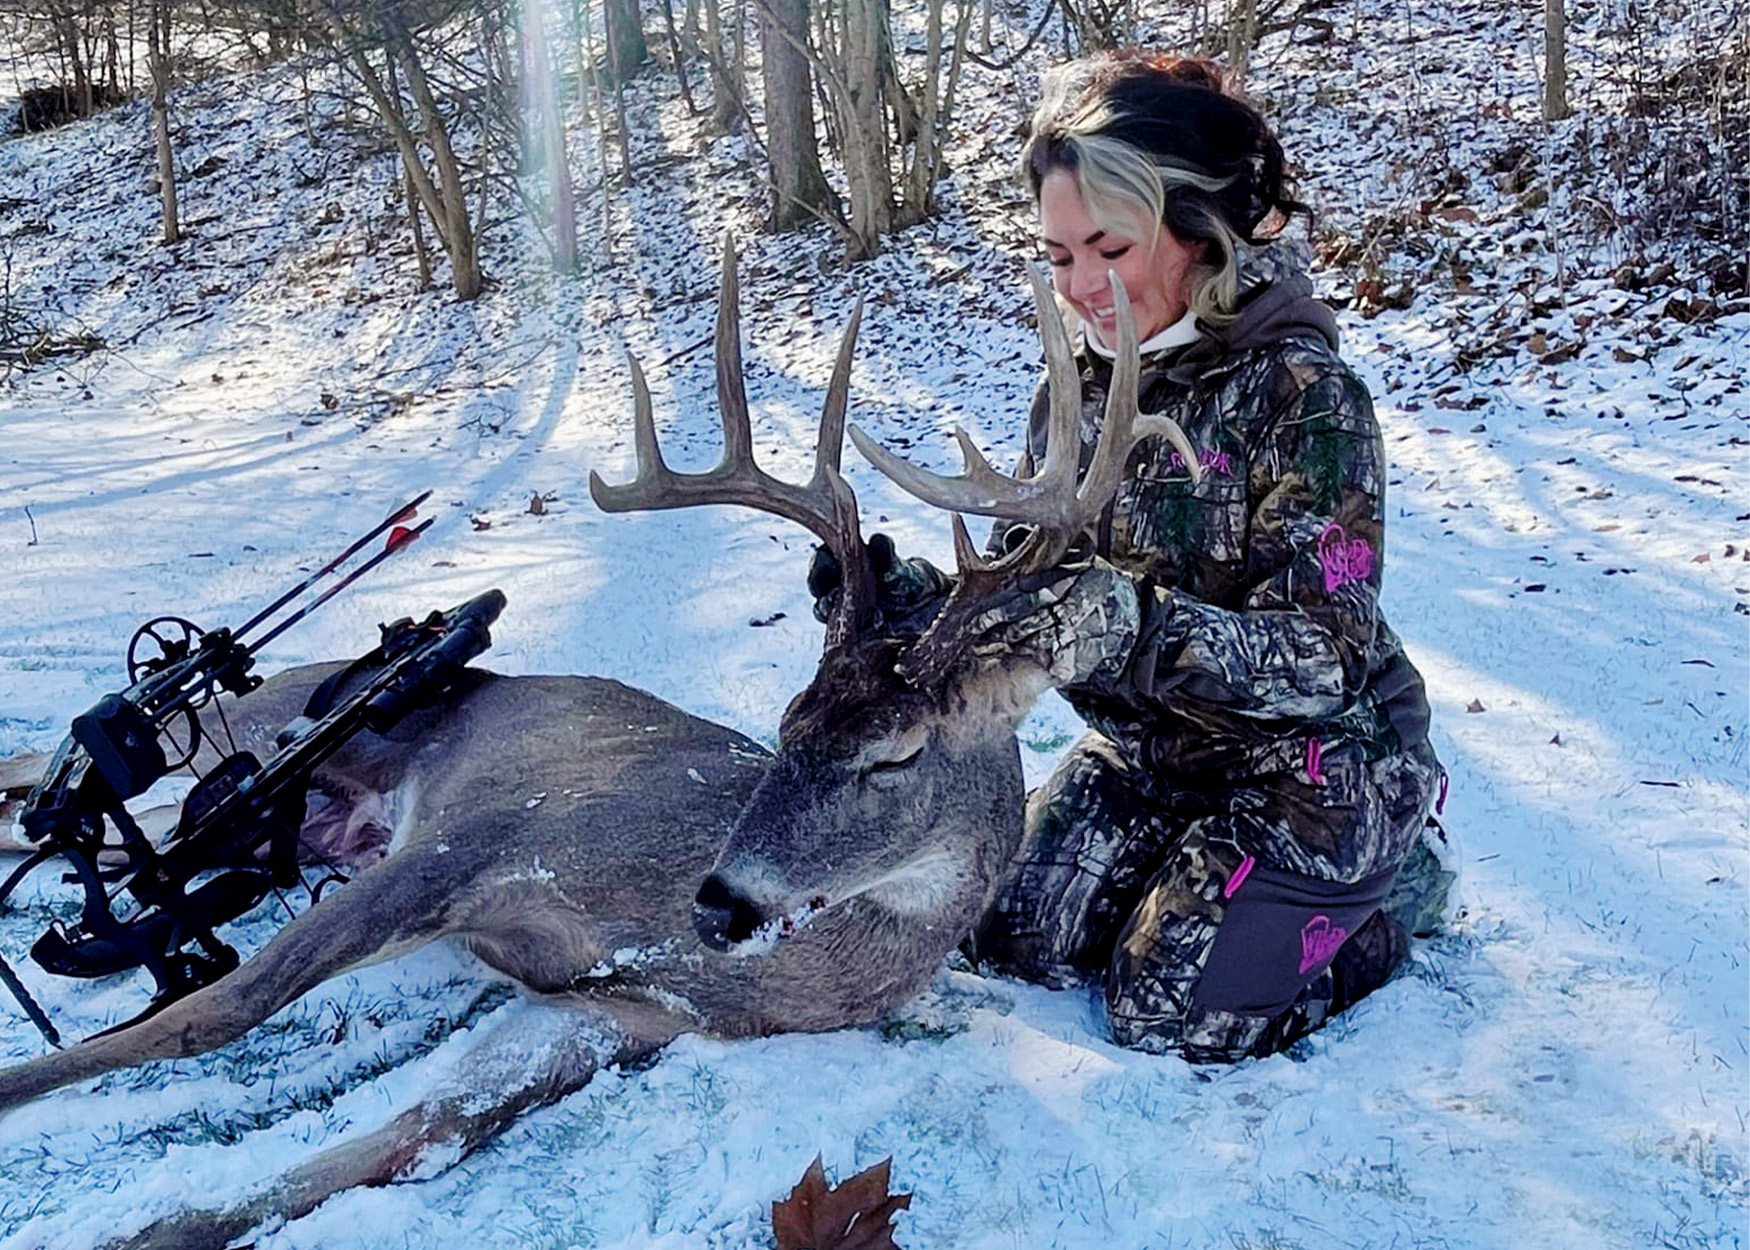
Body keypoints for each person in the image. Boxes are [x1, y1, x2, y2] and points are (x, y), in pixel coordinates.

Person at [814, 51, 1450, 1063]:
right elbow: (1027, 601)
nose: (1078, 288)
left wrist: (1127, 620)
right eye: (1058, 256)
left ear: (1196, 233)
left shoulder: (1304, 398)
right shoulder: (1071, 396)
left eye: (1107, 246)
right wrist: (905, 602)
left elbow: (1323, 656)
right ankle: (1189, 871)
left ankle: (1391, 892)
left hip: (1316, 767)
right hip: (1150, 758)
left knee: (1168, 1008)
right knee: (1008, 934)